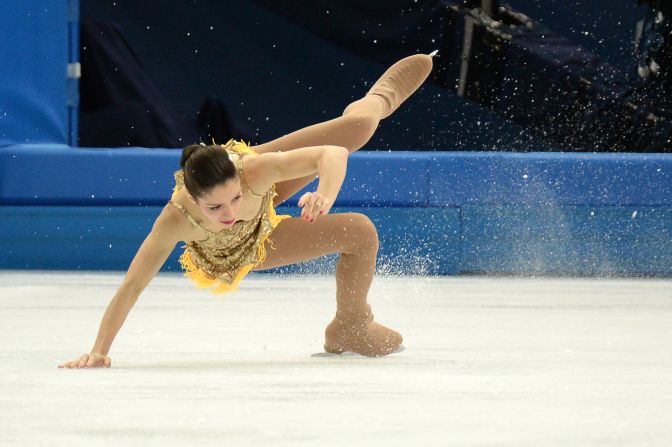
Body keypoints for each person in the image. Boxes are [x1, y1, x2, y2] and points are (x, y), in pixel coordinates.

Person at [58, 52, 435, 368]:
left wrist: (324, 193)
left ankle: (350, 325)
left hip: (259, 187)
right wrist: (99, 351)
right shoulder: (175, 221)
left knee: (356, 127)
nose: (228, 212)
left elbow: (331, 155)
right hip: (238, 250)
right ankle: (350, 327)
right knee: (360, 230)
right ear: (192, 198)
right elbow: (132, 286)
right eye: (215, 207)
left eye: (233, 198)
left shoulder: (252, 171)